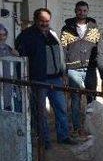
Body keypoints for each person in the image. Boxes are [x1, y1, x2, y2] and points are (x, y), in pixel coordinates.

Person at [16, 8, 74, 148]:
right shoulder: (26, 36)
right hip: (38, 79)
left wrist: (63, 72)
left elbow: (60, 54)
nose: (45, 23)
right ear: (35, 20)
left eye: (47, 21)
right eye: (42, 21)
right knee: (40, 112)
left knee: (61, 108)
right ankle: (45, 141)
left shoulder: (52, 33)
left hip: (56, 79)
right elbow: (20, 57)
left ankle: (64, 136)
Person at [60, 1, 101, 137]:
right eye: (79, 10)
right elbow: (63, 50)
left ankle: (91, 127)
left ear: (87, 11)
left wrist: (98, 66)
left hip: (90, 68)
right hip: (73, 69)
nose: (82, 13)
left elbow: (99, 48)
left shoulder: (94, 28)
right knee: (75, 99)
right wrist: (65, 70)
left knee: (91, 99)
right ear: (75, 11)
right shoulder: (66, 28)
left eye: (84, 10)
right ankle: (77, 128)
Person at [0, 23, 19, 110]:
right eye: (0, 35)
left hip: (9, 86)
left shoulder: (8, 48)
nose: (2, 37)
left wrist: (17, 55)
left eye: (4, 35)